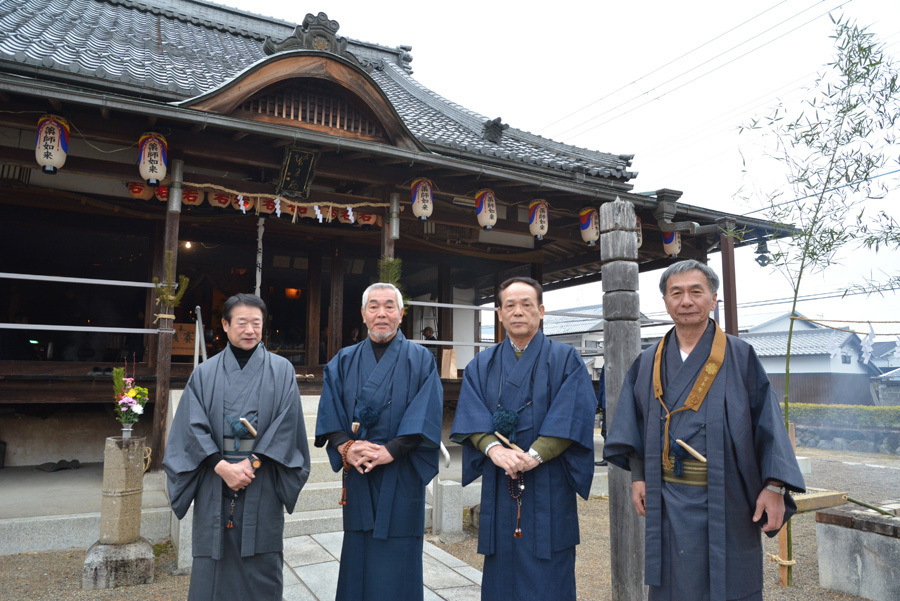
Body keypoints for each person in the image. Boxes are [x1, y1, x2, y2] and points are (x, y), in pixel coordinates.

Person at [603, 260, 806, 601]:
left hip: (727, 494)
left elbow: (767, 423)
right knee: (671, 584)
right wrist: (639, 474)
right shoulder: (648, 360)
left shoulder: (740, 356)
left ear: (713, 299)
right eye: (676, 293)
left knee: (730, 583)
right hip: (666, 494)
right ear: (665, 301)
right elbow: (632, 422)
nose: (686, 301)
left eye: (696, 292)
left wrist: (773, 486)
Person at [450, 277, 596, 601]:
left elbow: (573, 413)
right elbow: (470, 416)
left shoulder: (565, 359)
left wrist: (537, 454)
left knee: (550, 568)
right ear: (499, 313)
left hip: (549, 478)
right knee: (502, 566)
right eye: (510, 305)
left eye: (527, 304)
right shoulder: (481, 364)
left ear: (541, 311)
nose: (519, 312)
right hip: (500, 478)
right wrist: (493, 450)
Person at [163, 293, 311, 601]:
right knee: (213, 566)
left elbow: (288, 425)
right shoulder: (204, 373)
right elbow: (191, 426)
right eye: (241, 322)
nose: (250, 330)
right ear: (226, 326)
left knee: (262, 562)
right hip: (214, 478)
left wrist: (251, 464)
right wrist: (221, 466)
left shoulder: (282, 371)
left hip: (263, 478)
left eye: (256, 323)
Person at [315, 283, 443, 601]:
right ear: (363, 313)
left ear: (401, 314)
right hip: (358, 472)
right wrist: (346, 447)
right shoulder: (342, 361)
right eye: (374, 306)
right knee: (358, 551)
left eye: (389, 306)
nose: (381, 313)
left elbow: (425, 413)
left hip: (401, 470)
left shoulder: (421, 360)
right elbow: (330, 413)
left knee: (399, 554)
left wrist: (391, 451)